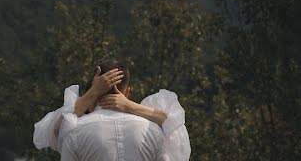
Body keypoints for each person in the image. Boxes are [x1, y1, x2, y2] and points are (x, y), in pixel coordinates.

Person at [33, 60, 191, 161]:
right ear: (127, 92)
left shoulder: (75, 133)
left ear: (93, 90)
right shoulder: (154, 132)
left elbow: (55, 132)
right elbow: (174, 125)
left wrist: (93, 93)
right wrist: (130, 105)